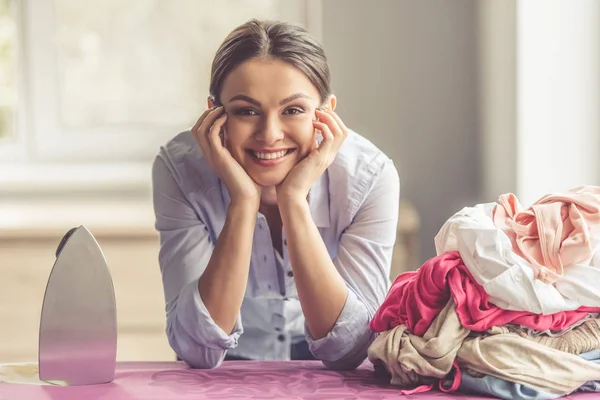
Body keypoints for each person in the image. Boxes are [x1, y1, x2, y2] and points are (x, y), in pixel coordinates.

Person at [151, 19, 400, 370]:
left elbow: (350, 350)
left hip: (323, 366)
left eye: (293, 110)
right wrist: (243, 202)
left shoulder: (369, 177)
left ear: (326, 112)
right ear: (214, 113)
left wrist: (294, 201)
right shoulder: (180, 170)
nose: (269, 135)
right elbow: (196, 349)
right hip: (227, 366)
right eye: (246, 111)